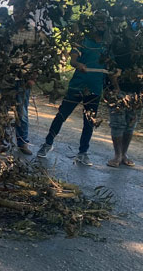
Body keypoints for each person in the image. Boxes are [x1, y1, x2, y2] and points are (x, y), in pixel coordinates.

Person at [37, 10, 110, 166]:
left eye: (104, 22)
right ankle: (47, 143)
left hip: (95, 89)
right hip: (78, 85)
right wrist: (79, 65)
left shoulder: (107, 45)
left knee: (89, 121)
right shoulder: (82, 41)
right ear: (92, 23)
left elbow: (111, 65)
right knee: (62, 115)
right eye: (98, 21)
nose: (101, 25)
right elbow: (73, 61)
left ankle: (83, 153)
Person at [0, 7, 46, 155]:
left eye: (20, 12)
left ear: (26, 14)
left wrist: (33, 77)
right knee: (2, 110)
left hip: (24, 77)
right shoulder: (6, 31)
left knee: (22, 112)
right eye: (16, 12)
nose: (17, 15)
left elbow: (39, 57)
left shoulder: (34, 33)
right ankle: (0, 140)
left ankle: (22, 142)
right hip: (7, 76)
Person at [106, 16, 143, 167]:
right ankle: (117, 154)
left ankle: (124, 153)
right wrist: (114, 86)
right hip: (118, 87)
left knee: (130, 123)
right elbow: (110, 63)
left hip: (137, 90)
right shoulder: (118, 41)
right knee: (117, 123)